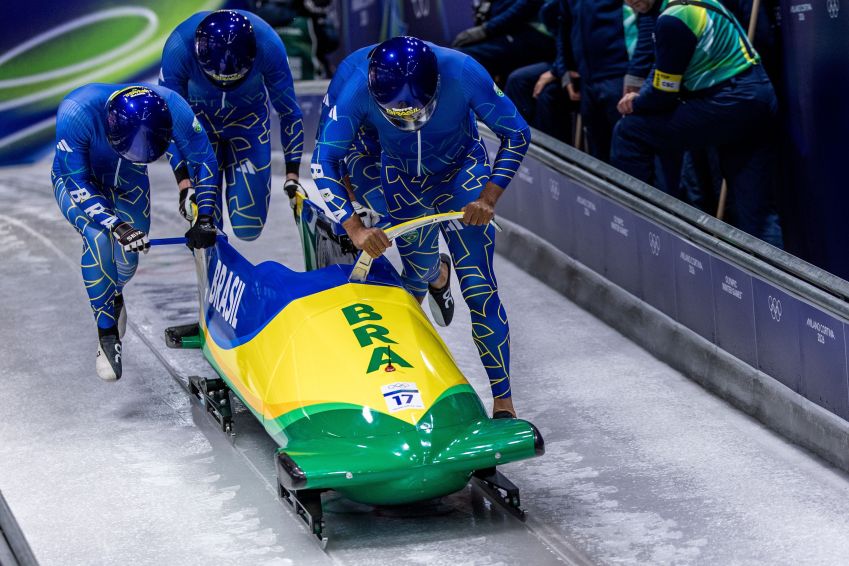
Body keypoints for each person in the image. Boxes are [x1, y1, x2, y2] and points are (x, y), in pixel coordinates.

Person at [312, 37, 531, 418]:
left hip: (462, 172)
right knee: (414, 279)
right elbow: (325, 160)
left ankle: (504, 403)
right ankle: (411, 388)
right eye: (398, 113)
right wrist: (355, 228)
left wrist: (489, 199)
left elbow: (518, 133)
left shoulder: (463, 72)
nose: (410, 118)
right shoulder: (354, 86)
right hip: (400, 177)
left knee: (479, 287)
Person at [52, 84, 219, 382]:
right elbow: (76, 181)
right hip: (78, 179)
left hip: (129, 180)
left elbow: (203, 157)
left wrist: (205, 216)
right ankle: (106, 334)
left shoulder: (174, 106)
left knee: (127, 262)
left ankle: (114, 296)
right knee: (99, 238)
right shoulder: (76, 113)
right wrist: (115, 225)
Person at [612, 0, 782, 246]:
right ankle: (770, 280)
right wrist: (644, 96)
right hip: (757, 97)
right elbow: (661, 69)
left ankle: (637, 226)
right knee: (758, 214)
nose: (630, 1)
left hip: (729, 103)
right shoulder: (697, 3)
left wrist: (634, 104)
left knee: (630, 131)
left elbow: (663, 94)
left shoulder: (674, 18)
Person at [160, 9, 304, 241]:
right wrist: (184, 183)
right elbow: (168, 120)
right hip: (199, 129)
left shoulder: (269, 44)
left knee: (249, 227)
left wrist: (292, 175)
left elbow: (289, 111)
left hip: (248, 123)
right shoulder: (178, 47)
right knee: (208, 228)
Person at [562, 0, 638, 162]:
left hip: (619, 76)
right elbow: (565, 24)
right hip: (586, 80)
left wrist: (635, 74)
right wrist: (566, 69)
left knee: (626, 155)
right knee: (598, 155)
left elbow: (644, 21)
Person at [504, 0, 575, 143]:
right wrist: (559, 69)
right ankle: (519, 147)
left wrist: (557, 71)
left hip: (581, 65)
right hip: (565, 60)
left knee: (547, 94)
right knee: (517, 80)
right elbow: (561, 32)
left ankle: (552, 157)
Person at [452, 0, 555, 82]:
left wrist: (484, 30)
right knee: (458, 54)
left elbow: (520, 10)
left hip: (536, 36)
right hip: (507, 30)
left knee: (464, 57)